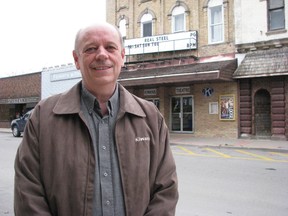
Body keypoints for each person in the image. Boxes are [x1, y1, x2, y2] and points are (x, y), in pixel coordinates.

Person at [14, 22, 178, 216]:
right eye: (91, 48)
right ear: (76, 59)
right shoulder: (43, 117)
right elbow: (28, 193)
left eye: (110, 47)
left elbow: (166, 190)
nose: (102, 54)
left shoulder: (150, 117)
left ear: (122, 56)